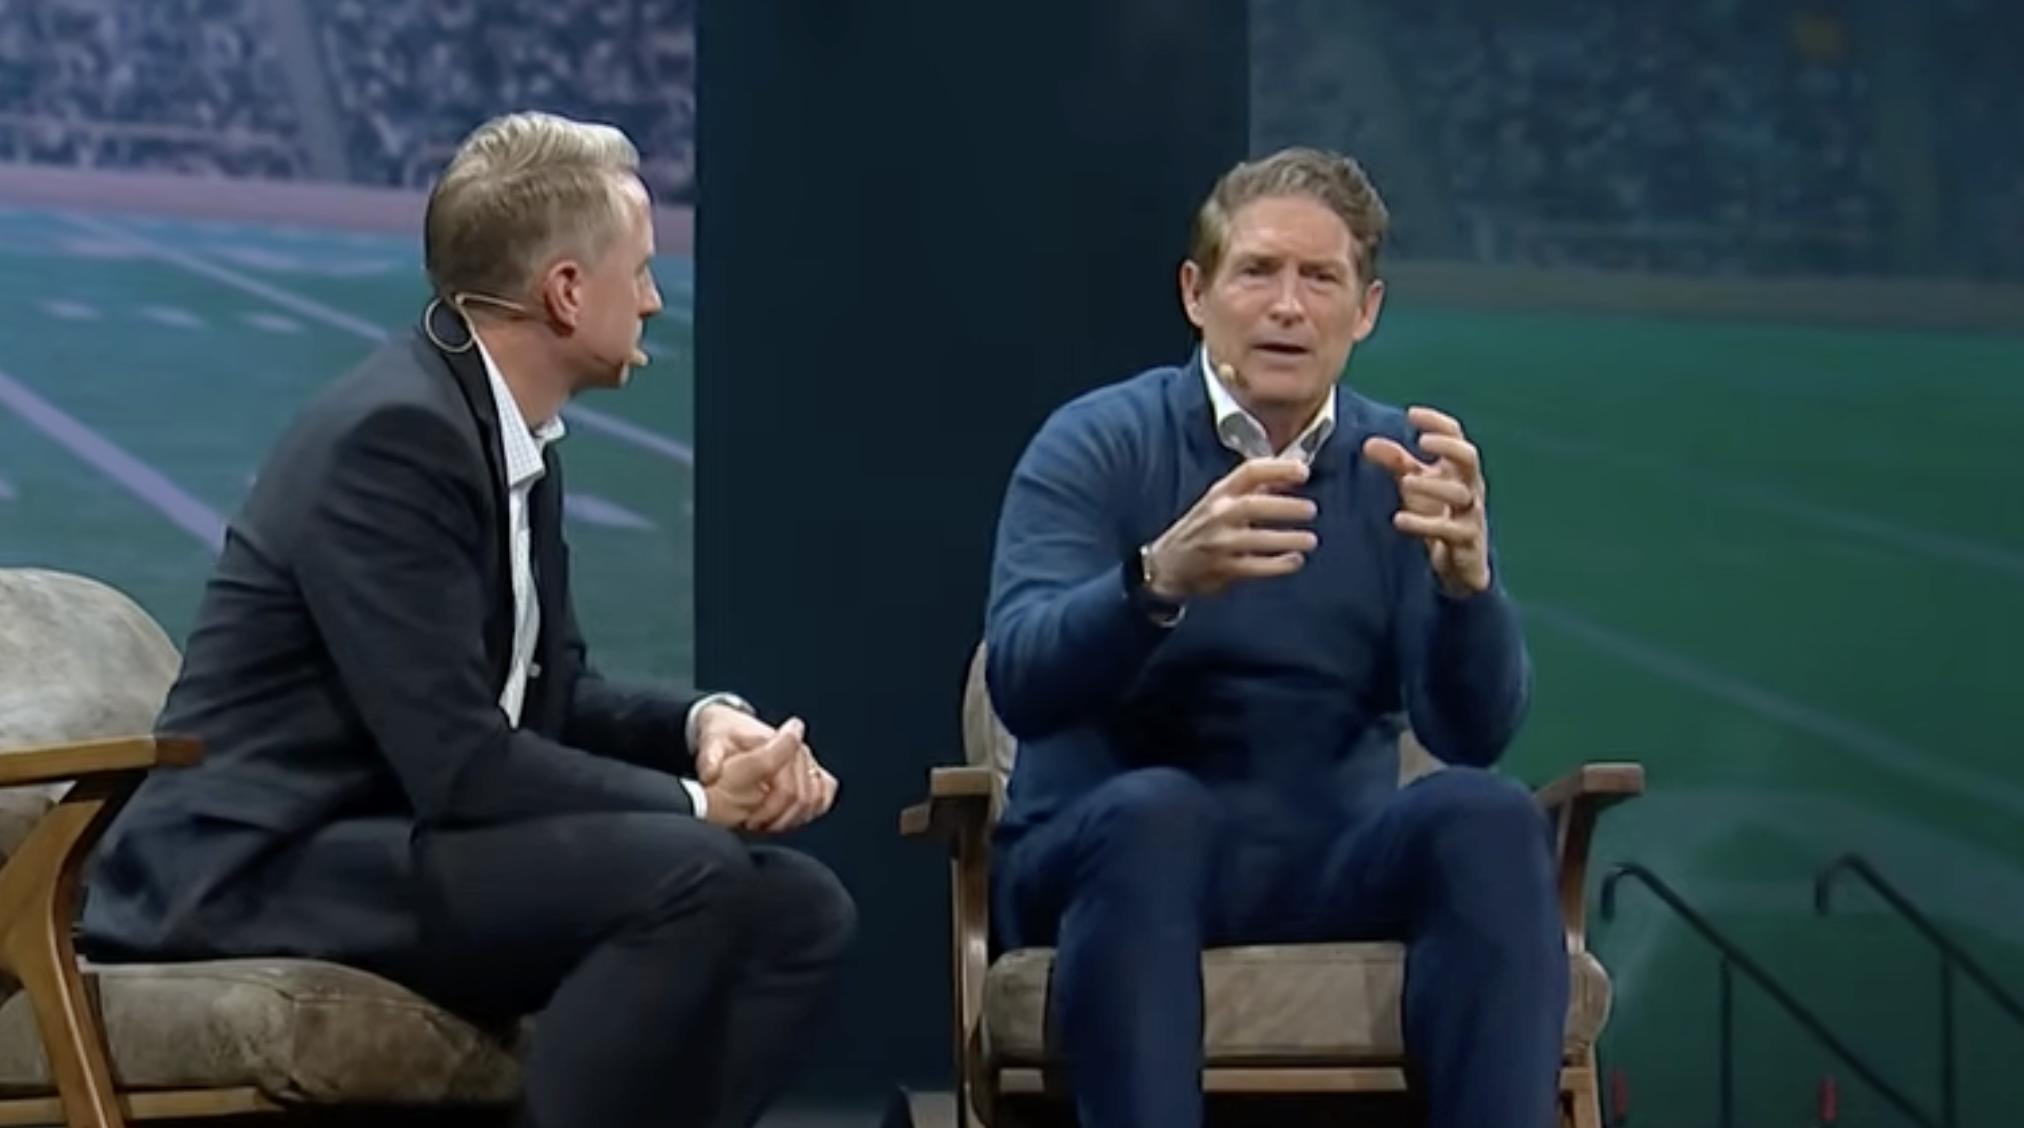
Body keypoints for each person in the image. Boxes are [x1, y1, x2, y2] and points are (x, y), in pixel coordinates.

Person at [81, 111, 854, 1128]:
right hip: (258, 863)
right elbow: (460, 762)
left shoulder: (504, 433)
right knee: (692, 871)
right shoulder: (393, 437)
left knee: (803, 911)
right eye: (642, 272)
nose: (657, 301)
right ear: (566, 291)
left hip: (384, 835)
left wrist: (700, 724)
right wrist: (702, 806)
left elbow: (554, 694)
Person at [982, 147, 1560, 1128]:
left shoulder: (1399, 467)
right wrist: (1155, 580)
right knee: (1157, 813)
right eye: (1255, 271)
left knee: (1488, 815)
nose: (1286, 305)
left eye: (1318, 277)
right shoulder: (1098, 443)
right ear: (1194, 294)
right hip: (1109, 854)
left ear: (1364, 310)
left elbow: (1469, 731)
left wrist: (1468, 590)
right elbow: (1020, 679)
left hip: (1323, 860)